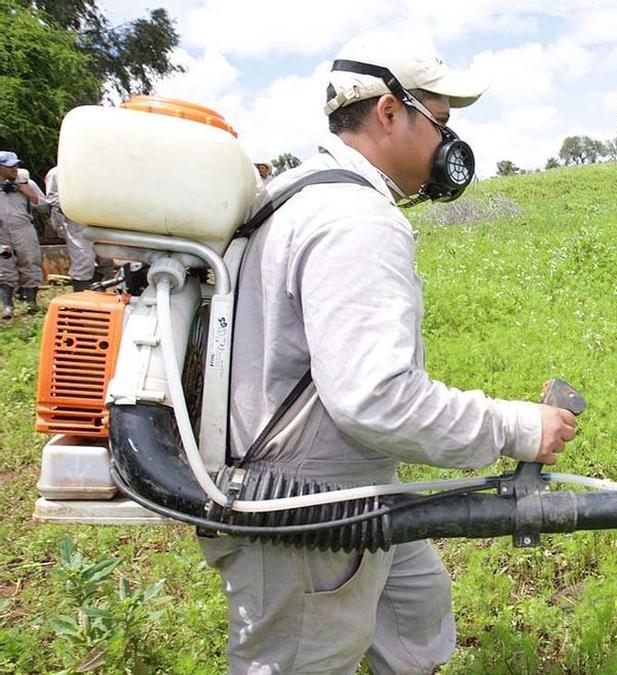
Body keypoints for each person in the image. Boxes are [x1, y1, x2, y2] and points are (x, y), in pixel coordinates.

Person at [197, 31, 578, 674]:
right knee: (303, 659)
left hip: (346, 481)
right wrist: (518, 427)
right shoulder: (355, 220)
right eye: (441, 121)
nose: (446, 143)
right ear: (389, 112)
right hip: (304, 503)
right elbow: (376, 398)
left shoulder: (299, 191)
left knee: (414, 603)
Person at [44, 165, 114, 291]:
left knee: (105, 258)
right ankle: (81, 295)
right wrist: (77, 206)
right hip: (76, 221)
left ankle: (97, 292)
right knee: (83, 259)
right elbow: (52, 198)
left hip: (100, 220)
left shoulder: (97, 169)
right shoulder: (57, 173)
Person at [0, 151, 46, 318]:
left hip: (23, 228)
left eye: (16, 165)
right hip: (2, 233)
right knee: (4, 266)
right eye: (9, 166)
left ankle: (31, 303)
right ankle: (7, 307)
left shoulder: (26, 182)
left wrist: (27, 192)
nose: (14, 168)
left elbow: (44, 206)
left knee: (30, 262)